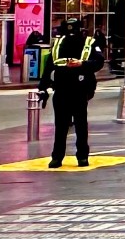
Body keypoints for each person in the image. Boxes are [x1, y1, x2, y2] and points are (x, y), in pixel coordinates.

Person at [43, 19, 105, 168]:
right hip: (61, 88)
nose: (70, 35)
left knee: (80, 125)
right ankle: (57, 157)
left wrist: (82, 64)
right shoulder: (58, 44)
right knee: (61, 125)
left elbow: (99, 62)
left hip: (80, 88)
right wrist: (42, 87)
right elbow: (48, 68)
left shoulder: (89, 42)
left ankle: (82, 156)